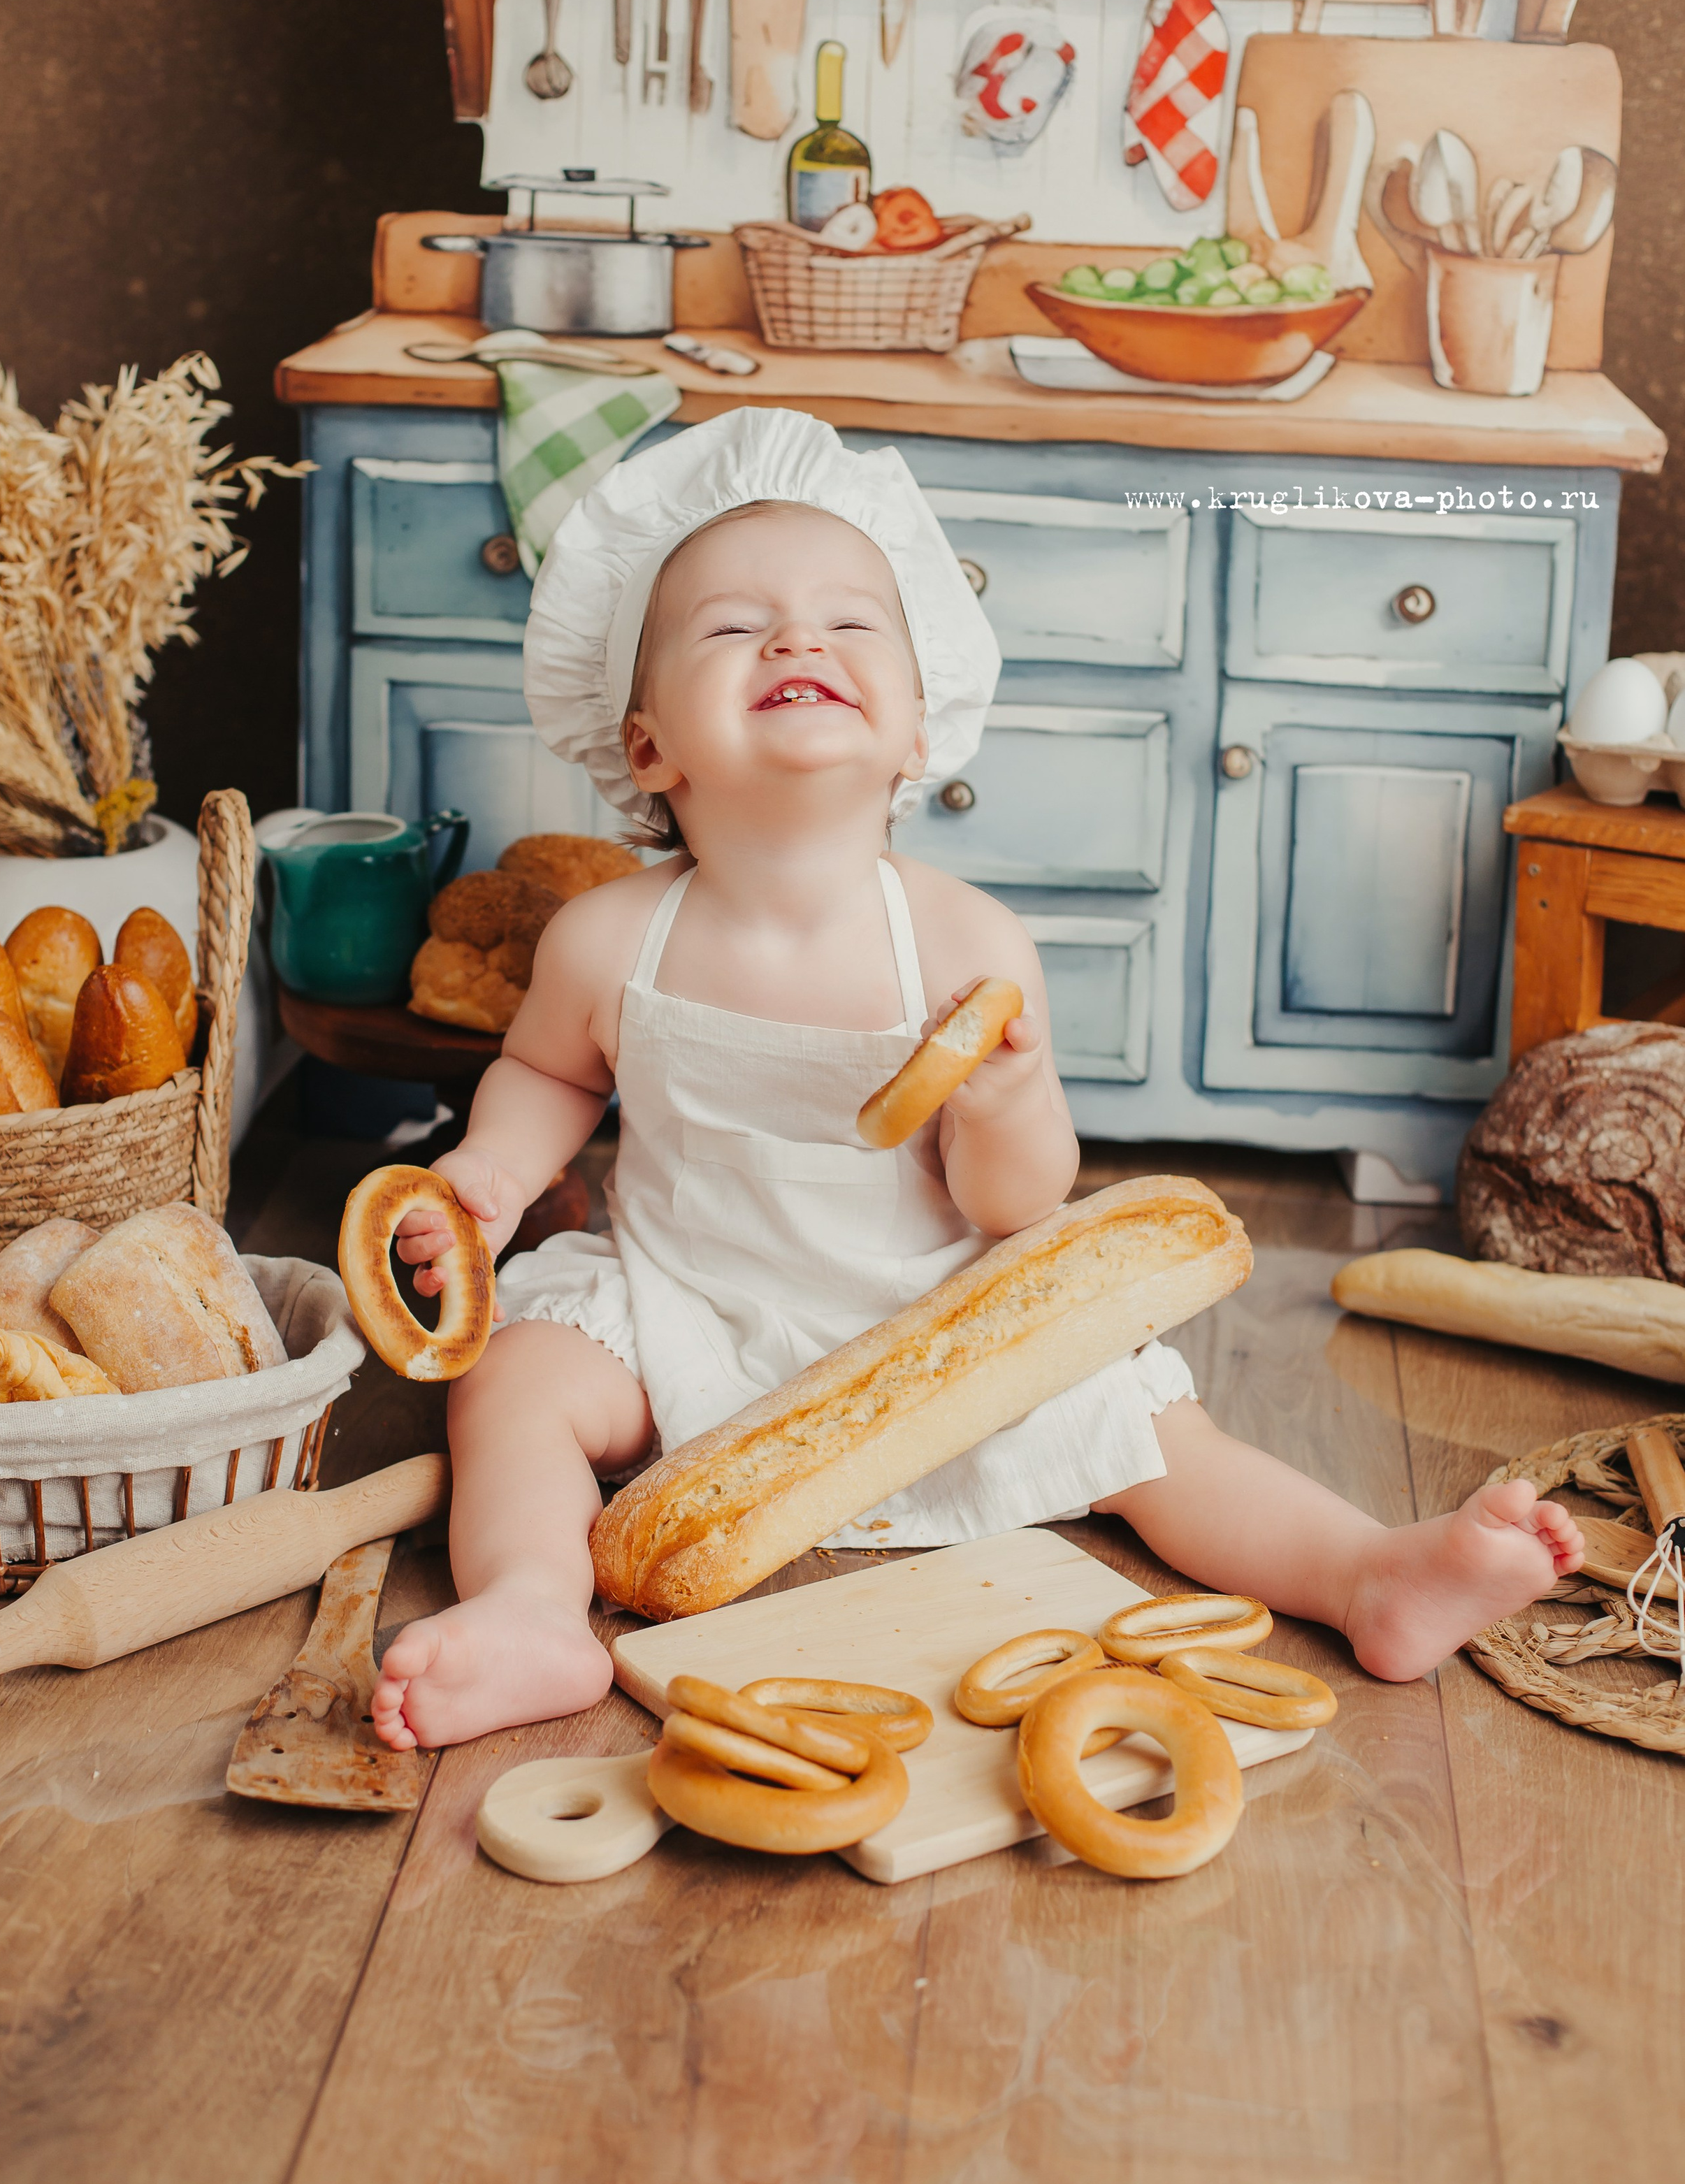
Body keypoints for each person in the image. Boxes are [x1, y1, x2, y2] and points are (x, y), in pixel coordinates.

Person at [371, 410, 1579, 1751]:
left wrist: (1002, 1103)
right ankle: (535, 1606)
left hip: (928, 1319)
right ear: (649, 747)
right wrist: (489, 1175)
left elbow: (1019, 1207)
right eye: (732, 627)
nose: (796, 640)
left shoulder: (961, 942)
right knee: (517, 1380)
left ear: (917, 730)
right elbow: (548, 1073)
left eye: (849, 621)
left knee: (1144, 1428)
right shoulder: (607, 936)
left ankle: (1369, 1573)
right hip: (684, 1302)